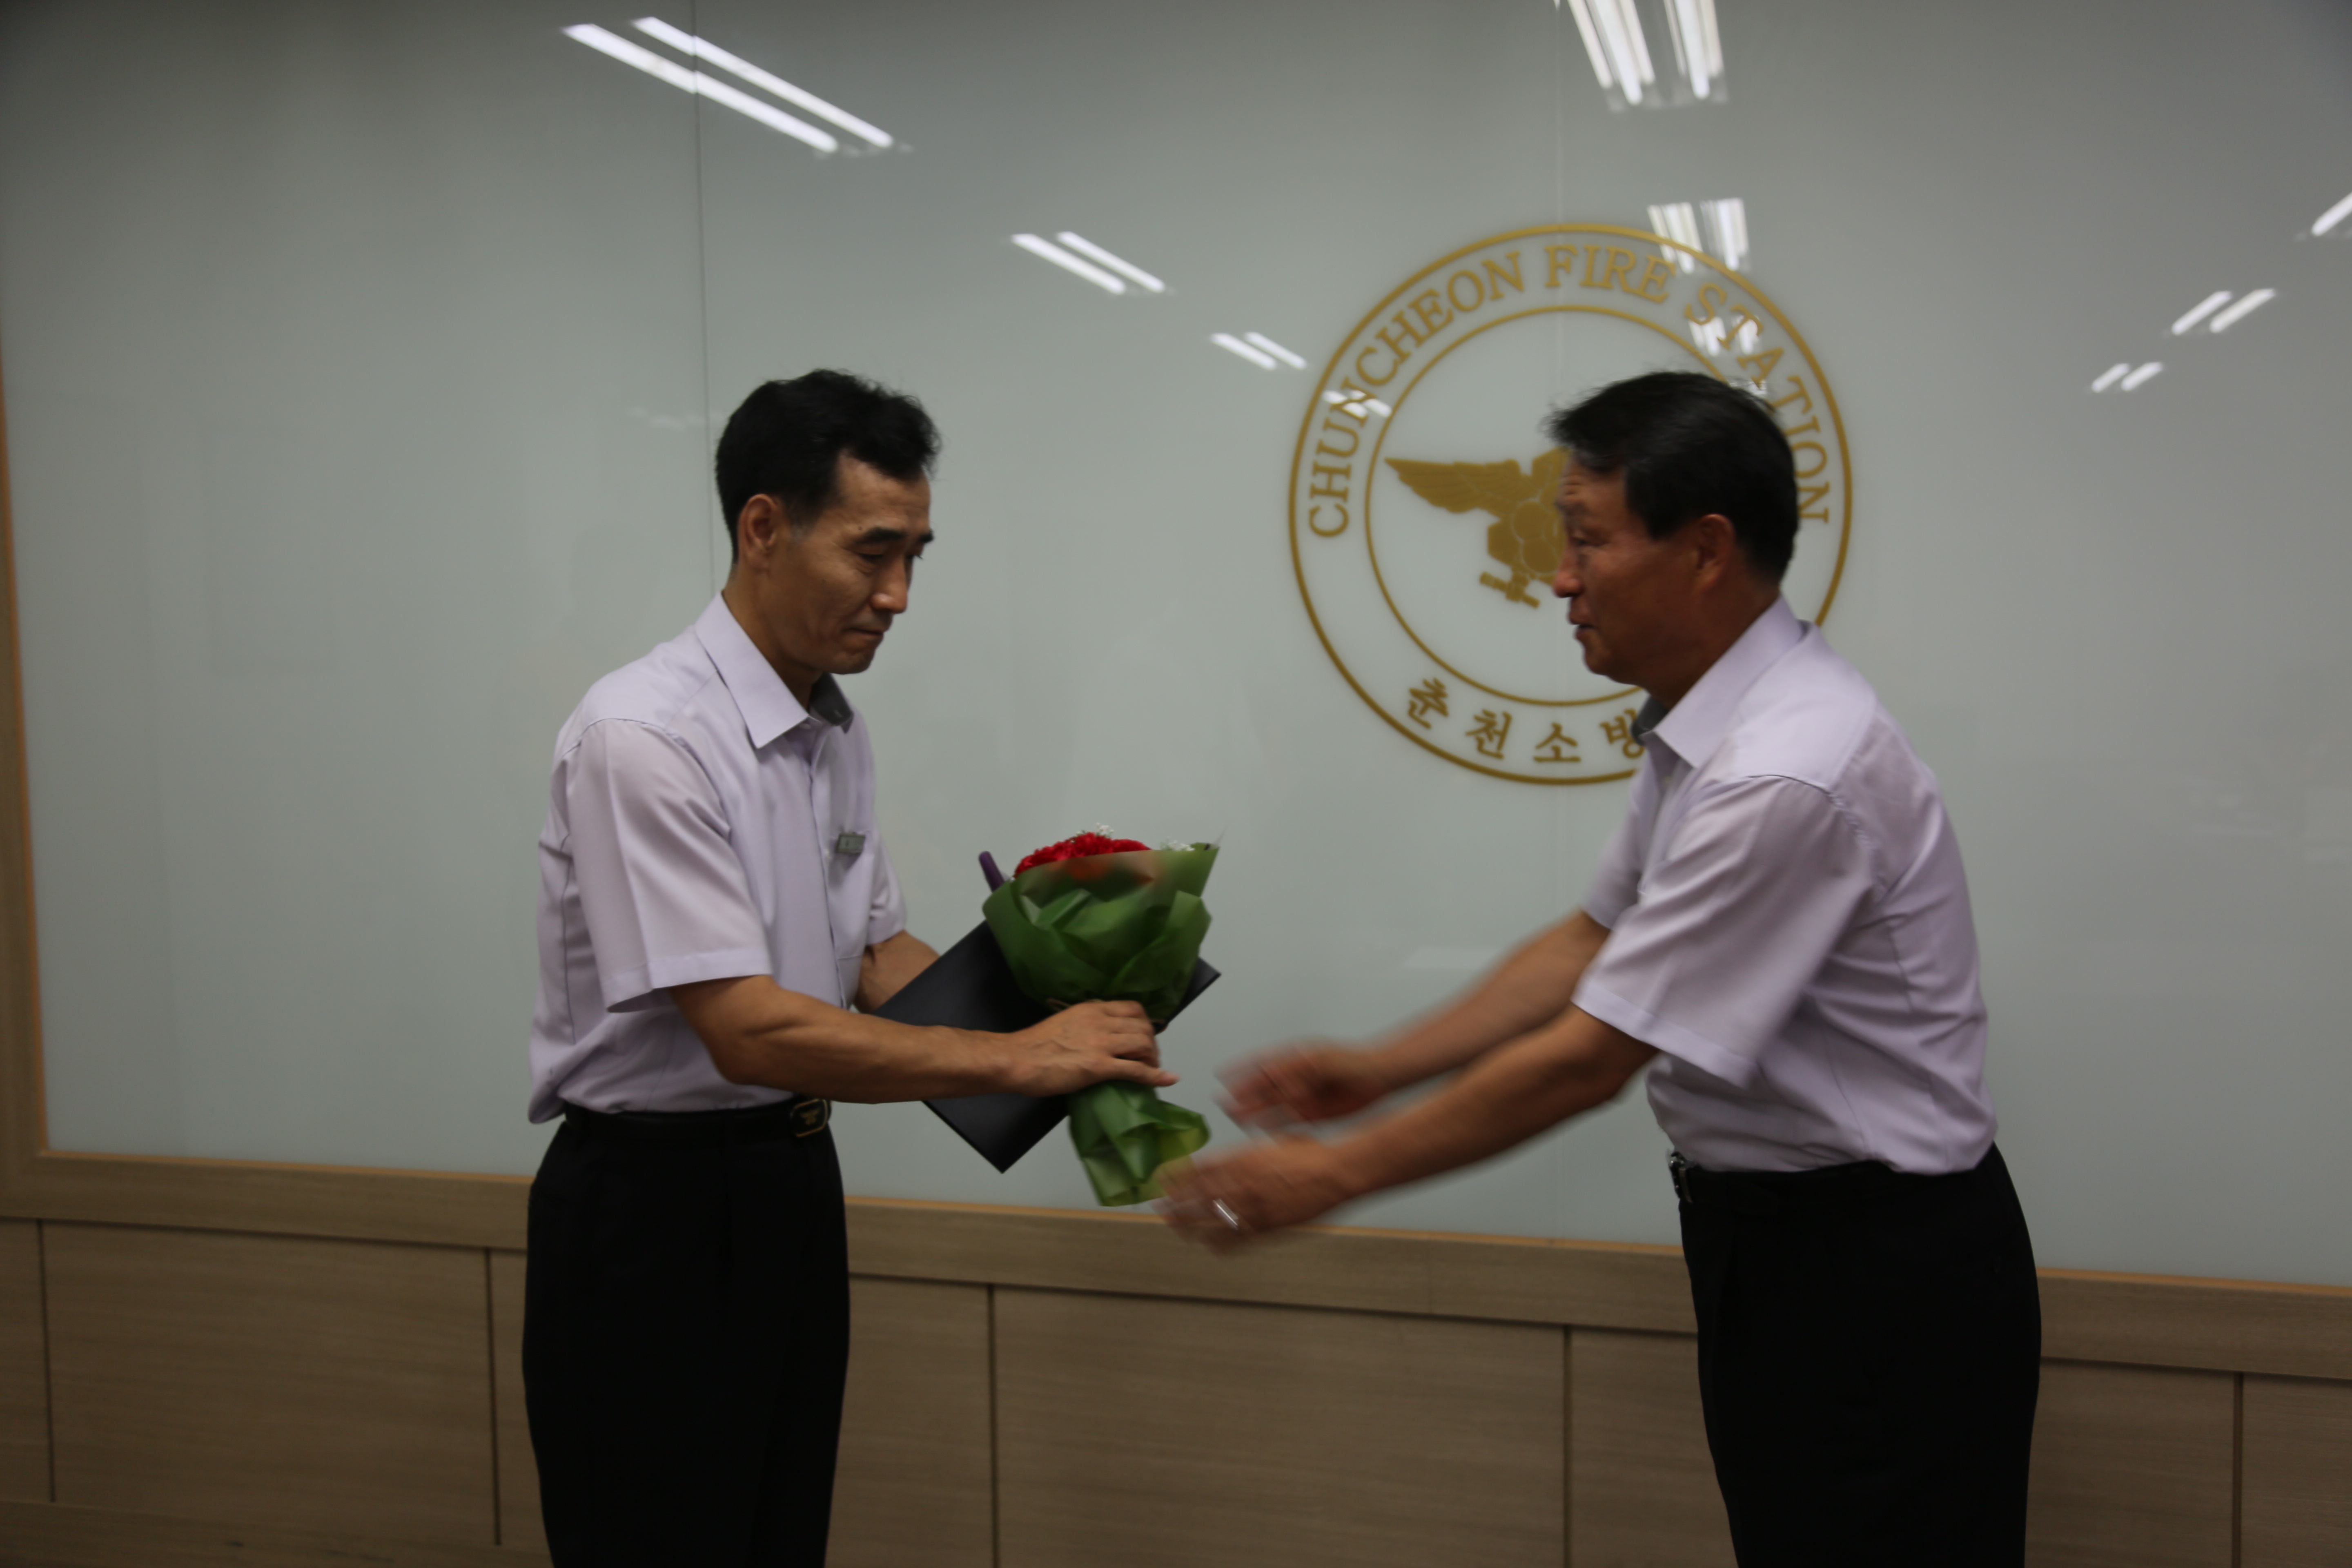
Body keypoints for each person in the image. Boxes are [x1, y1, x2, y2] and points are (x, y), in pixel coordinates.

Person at [1164, 371, 2040, 1568]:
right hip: (1788, 1250)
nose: (1559, 578)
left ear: (1705, 550)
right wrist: (1379, 1069)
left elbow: (1590, 1058)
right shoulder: (1710, 724)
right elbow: (1591, 941)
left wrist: (1334, 1175)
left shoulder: (1787, 770)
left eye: (1587, 541)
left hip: (1872, 1267)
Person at [523, 370, 1172, 1568]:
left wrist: (1067, 1012)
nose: (899, 595)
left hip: (789, 1185)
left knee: (776, 1532)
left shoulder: (832, 727)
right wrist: (1020, 1059)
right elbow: (749, 1030)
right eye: (873, 553)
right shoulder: (644, 737)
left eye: (915, 556)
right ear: (764, 528)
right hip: (653, 1211)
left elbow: (872, 957)